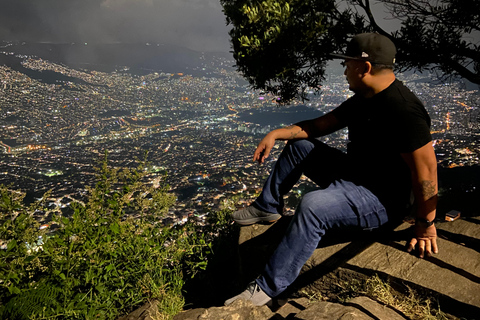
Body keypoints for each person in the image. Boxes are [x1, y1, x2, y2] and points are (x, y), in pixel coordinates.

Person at [224, 33, 438, 307]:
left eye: (348, 63)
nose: (345, 69)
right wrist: (278, 133)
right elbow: (317, 127)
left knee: (313, 205)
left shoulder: (404, 110)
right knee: (300, 146)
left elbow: (426, 172)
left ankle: (266, 287)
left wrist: (425, 226)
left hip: (383, 200)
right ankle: (267, 206)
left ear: (365, 67)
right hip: (355, 174)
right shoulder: (365, 97)